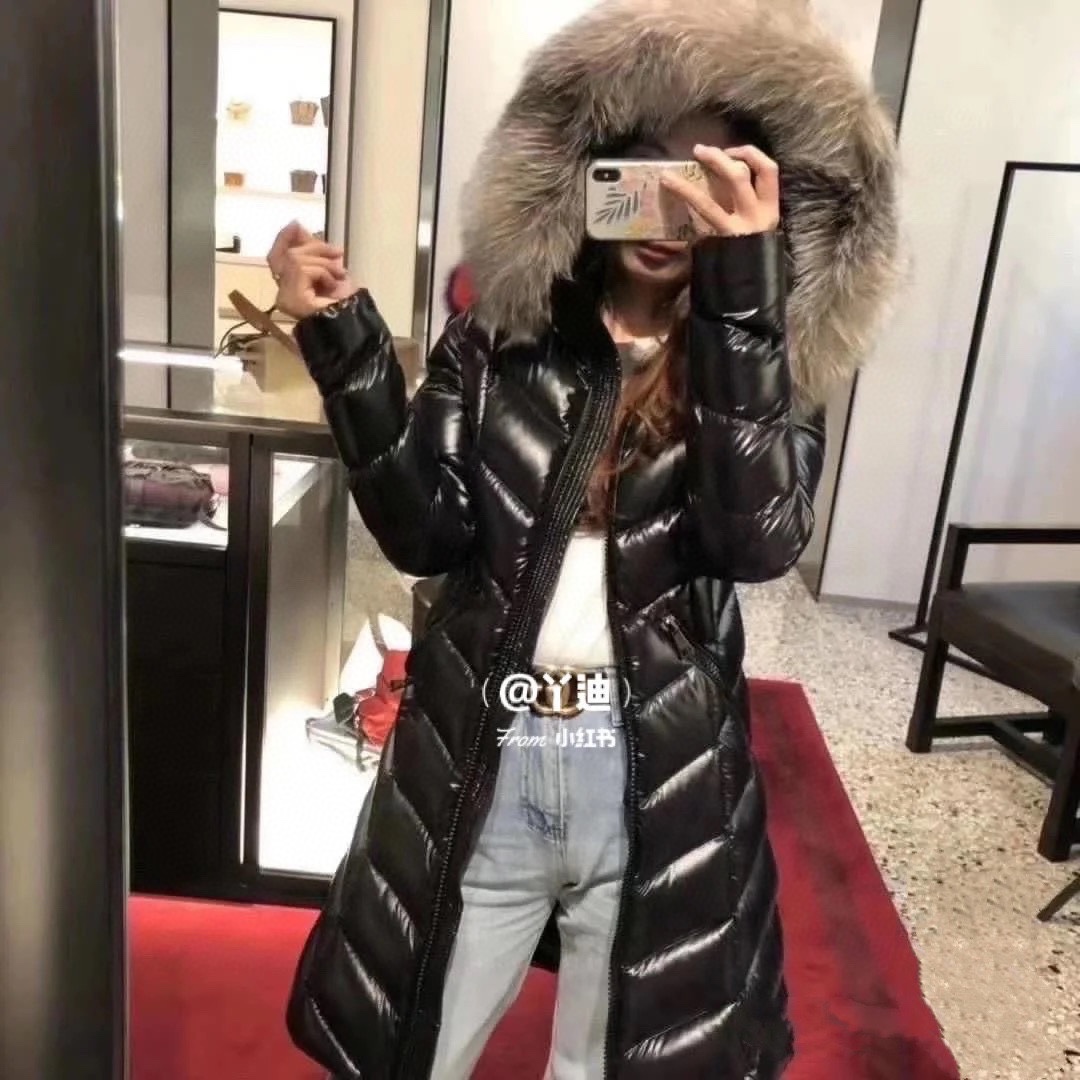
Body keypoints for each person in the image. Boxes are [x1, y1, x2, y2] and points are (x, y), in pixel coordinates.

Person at [272, 0, 900, 1076]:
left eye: (707, 177)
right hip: (489, 739)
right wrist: (347, 348)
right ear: (584, 173)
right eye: (643, 169)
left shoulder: (766, 364)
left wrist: (743, 303)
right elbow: (425, 532)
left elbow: (755, 543)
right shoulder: (503, 340)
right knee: (424, 1042)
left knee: (604, 1062)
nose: (669, 206)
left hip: (652, 768)